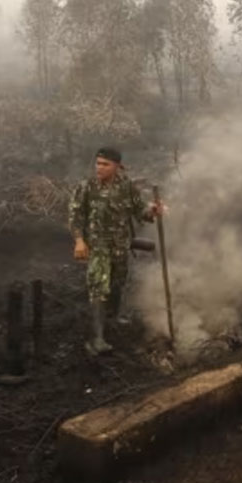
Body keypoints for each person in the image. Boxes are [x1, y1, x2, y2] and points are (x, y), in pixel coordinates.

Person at [68, 146, 161, 355]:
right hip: (98, 245)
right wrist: (79, 241)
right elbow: (75, 217)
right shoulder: (87, 187)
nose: (99, 168)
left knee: (118, 283)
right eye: (97, 163)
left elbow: (140, 212)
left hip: (120, 245)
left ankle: (114, 317)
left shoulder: (126, 187)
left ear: (117, 167)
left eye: (105, 164)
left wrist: (153, 211)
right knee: (99, 286)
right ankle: (97, 338)